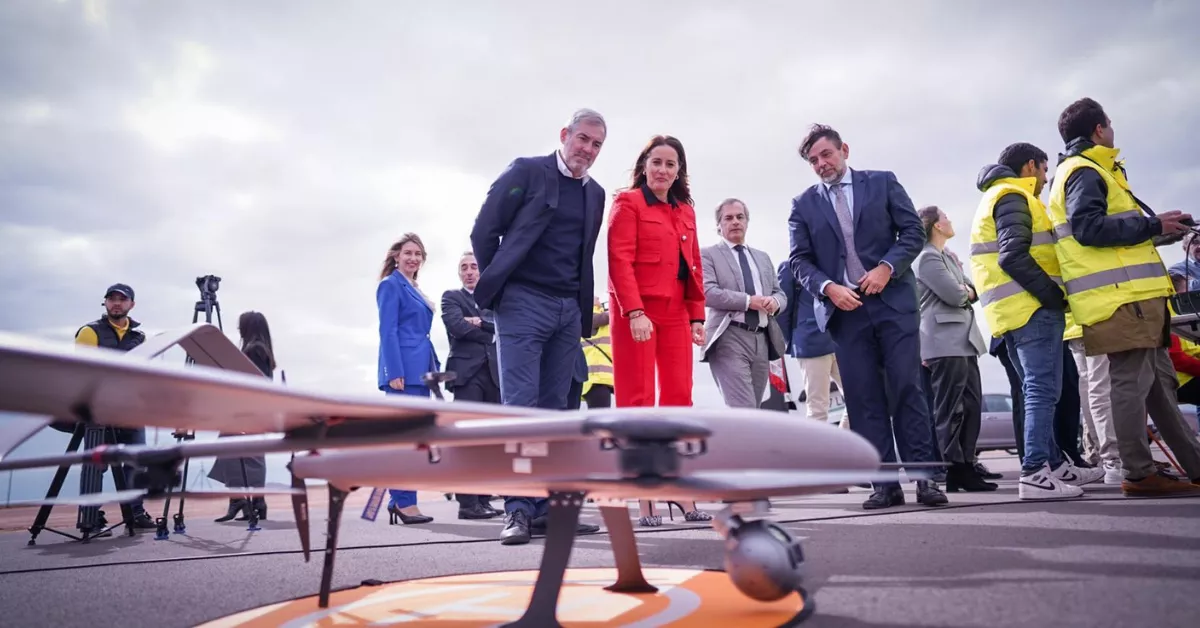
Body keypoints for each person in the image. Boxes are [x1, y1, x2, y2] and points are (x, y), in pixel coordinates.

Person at [787, 124, 947, 510]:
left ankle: (925, 479)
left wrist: (886, 268)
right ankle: (884, 484)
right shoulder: (802, 204)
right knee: (862, 398)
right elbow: (799, 261)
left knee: (908, 388)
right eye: (813, 161)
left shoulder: (883, 182)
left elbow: (911, 232)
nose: (821, 164)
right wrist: (828, 288)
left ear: (844, 149)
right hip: (846, 311)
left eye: (826, 155)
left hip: (892, 303)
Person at [1045, 97, 1200, 494]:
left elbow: (1113, 233)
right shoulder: (1084, 171)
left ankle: (1190, 465)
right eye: (1109, 124)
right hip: (1120, 299)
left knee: (1157, 387)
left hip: (1132, 298)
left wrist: (1161, 227)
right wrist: (1151, 225)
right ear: (1099, 129)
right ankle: (1137, 472)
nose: (1112, 129)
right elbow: (1088, 228)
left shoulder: (1094, 171)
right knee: (1131, 383)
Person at [469, 108, 607, 545]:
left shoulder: (596, 194)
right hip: (523, 303)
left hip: (569, 310)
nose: (587, 149)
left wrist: (578, 307)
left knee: (558, 413)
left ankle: (549, 509)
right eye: (582, 138)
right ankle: (517, 510)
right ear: (565, 134)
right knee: (520, 410)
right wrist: (504, 287)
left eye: (597, 144)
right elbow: (483, 231)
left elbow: (583, 253)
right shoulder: (527, 172)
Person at [968, 141, 1104, 499]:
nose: (1046, 178)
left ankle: (1056, 467)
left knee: (1036, 391)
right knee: (1042, 392)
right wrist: (1053, 296)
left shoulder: (998, 196)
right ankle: (1034, 473)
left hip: (1013, 312)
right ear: (1031, 166)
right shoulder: (1013, 196)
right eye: (1044, 170)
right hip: (1031, 310)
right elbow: (1013, 256)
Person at [607, 134, 711, 526]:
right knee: (636, 401)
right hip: (638, 313)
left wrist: (697, 315)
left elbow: (694, 263)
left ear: (679, 170)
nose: (663, 170)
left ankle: (678, 490)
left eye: (671, 163)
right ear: (644, 165)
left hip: (676, 315)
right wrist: (633, 311)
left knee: (678, 401)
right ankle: (643, 495)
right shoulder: (627, 203)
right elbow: (619, 260)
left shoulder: (685, 209)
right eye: (656, 162)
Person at [913, 206, 993, 491]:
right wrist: (966, 290)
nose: (949, 220)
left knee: (971, 406)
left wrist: (966, 289)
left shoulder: (947, 257)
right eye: (945, 216)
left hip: (965, 341)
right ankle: (952, 468)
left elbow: (971, 289)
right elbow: (957, 295)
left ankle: (966, 466)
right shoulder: (926, 258)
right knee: (950, 410)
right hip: (943, 342)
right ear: (935, 225)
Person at [73, 283, 156, 531]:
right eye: (112, 299)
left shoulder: (140, 338)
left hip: (130, 410)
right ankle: (90, 517)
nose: (116, 303)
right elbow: (83, 373)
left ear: (132, 304)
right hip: (98, 409)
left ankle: (136, 513)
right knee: (96, 464)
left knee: (136, 462)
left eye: (122, 299)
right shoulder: (89, 332)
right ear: (105, 302)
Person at [700, 198, 788, 409]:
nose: (735, 222)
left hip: (762, 339)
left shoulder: (763, 257)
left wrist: (775, 302)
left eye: (740, 217)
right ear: (719, 226)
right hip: (729, 337)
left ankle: (743, 443)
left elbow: (780, 293)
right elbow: (707, 292)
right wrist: (749, 302)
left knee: (753, 411)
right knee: (743, 409)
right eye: (728, 218)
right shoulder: (707, 254)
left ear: (747, 222)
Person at [376, 233, 437, 525]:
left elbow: (421, 334)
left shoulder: (414, 287)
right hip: (402, 373)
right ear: (396, 256)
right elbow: (387, 330)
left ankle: (400, 500)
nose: (413, 258)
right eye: (408, 253)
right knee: (404, 440)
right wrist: (394, 371)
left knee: (415, 440)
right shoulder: (390, 285)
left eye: (418, 254)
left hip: (420, 371)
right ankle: (403, 503)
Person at [439, 250, 503, 520]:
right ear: (459, 273)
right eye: (464, 267)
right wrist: (488, 332)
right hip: (466, 375)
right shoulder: (450, 297)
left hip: (493, 376)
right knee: (468, 441)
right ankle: (467, 503)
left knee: (489, 442)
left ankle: (484, 499)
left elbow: (502, 325)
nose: (469, 271)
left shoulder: (493, 299)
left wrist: (481, 322)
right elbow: (457, 327)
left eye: (473, 266)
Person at [209, 311, 275, 522]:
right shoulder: (259, 349)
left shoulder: (254, 350)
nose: (238, 329)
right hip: (252, 409)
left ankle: (246, 501)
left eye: (241, 326)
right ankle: (248, 502)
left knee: (243, 454)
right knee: (237, 452)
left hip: (248, 410)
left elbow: (255, 382)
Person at [777, 259, 846, 427]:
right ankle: (818, 452)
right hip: (810, 343)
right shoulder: (789, 267)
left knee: (859, 397)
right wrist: (792, 342)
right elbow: (783, 311)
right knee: (817, 408)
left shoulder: (835, 261)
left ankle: (841, 443)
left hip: (841, 340)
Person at [581, 296, 614, 409]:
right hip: (596, 378)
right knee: (600, 416)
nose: (599, 299)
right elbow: (609, 315)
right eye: (596, 298)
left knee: (599, 415)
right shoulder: (590, 316)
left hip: (597, 378)